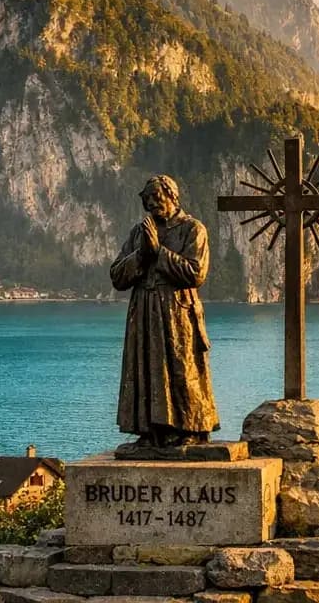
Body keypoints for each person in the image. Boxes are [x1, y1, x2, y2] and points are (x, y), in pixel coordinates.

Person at [111, 174, 219, 449]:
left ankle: (189, 429)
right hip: (145, 312)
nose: (153, 204)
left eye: (157, 198)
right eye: (148, 200)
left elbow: (195, 273)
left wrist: (158, 252)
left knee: (181, 368)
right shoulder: (140, 232)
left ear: (172, 196)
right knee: (145, 368)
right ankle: (149, 431)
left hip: (177, 313)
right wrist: (141, 254)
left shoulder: (193, 229)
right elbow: (117, 276)